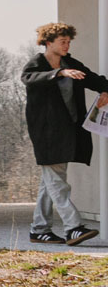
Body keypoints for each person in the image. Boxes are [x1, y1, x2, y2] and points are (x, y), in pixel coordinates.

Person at [23, 22, 108, 245]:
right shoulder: (36, 64)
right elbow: (29, 78)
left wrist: (105, 90)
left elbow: (94, 79)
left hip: (67, 132)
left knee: (50, 181)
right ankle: (73, 227)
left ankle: (39, 229)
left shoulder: (72, 64)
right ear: (48, 42)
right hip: (46, 132)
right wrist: (59, 73)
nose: (67, 45)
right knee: (57, 182)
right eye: (62, 42)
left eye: (69, 42)